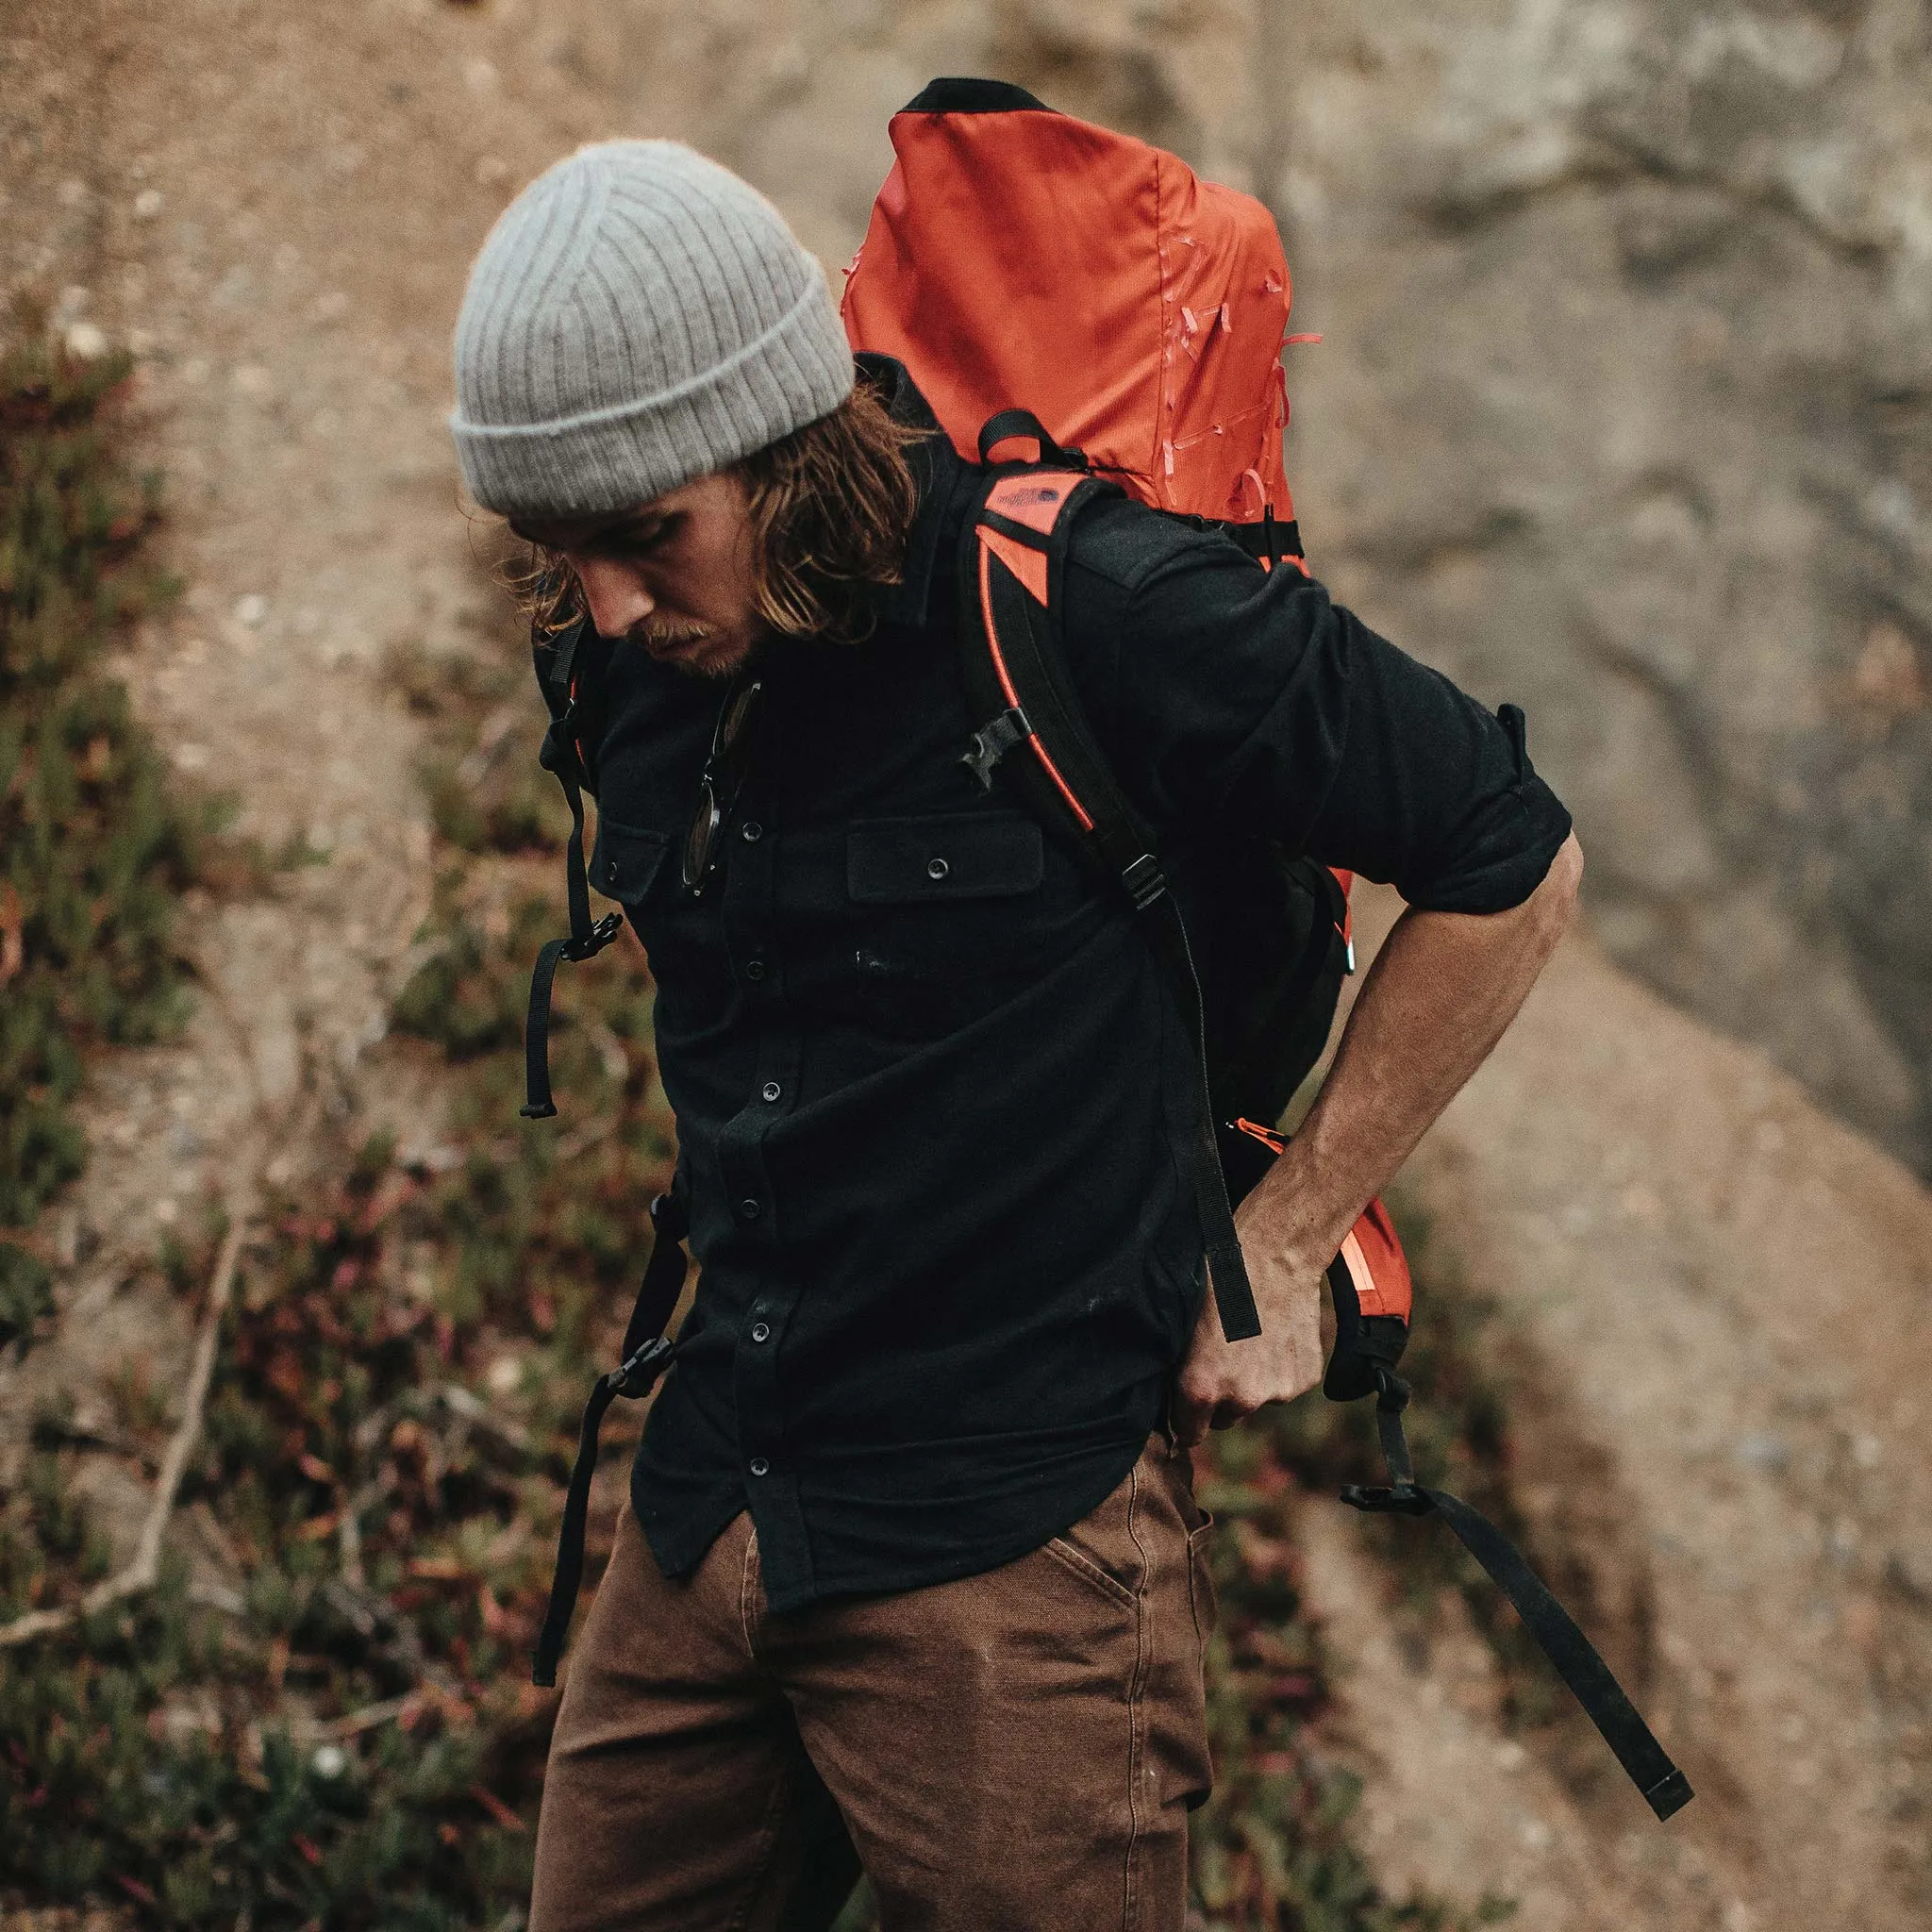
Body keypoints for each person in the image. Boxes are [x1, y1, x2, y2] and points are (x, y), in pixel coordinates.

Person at [449, 138, 1581, 1932]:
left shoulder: (1100, 610)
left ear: (782, 441)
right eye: (555, 550)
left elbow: (1514, 855)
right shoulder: (629, 657)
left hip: (1015, 1552)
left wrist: (1286, 1244)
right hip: (713, 1498)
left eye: (647, 536)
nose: (602, 611)